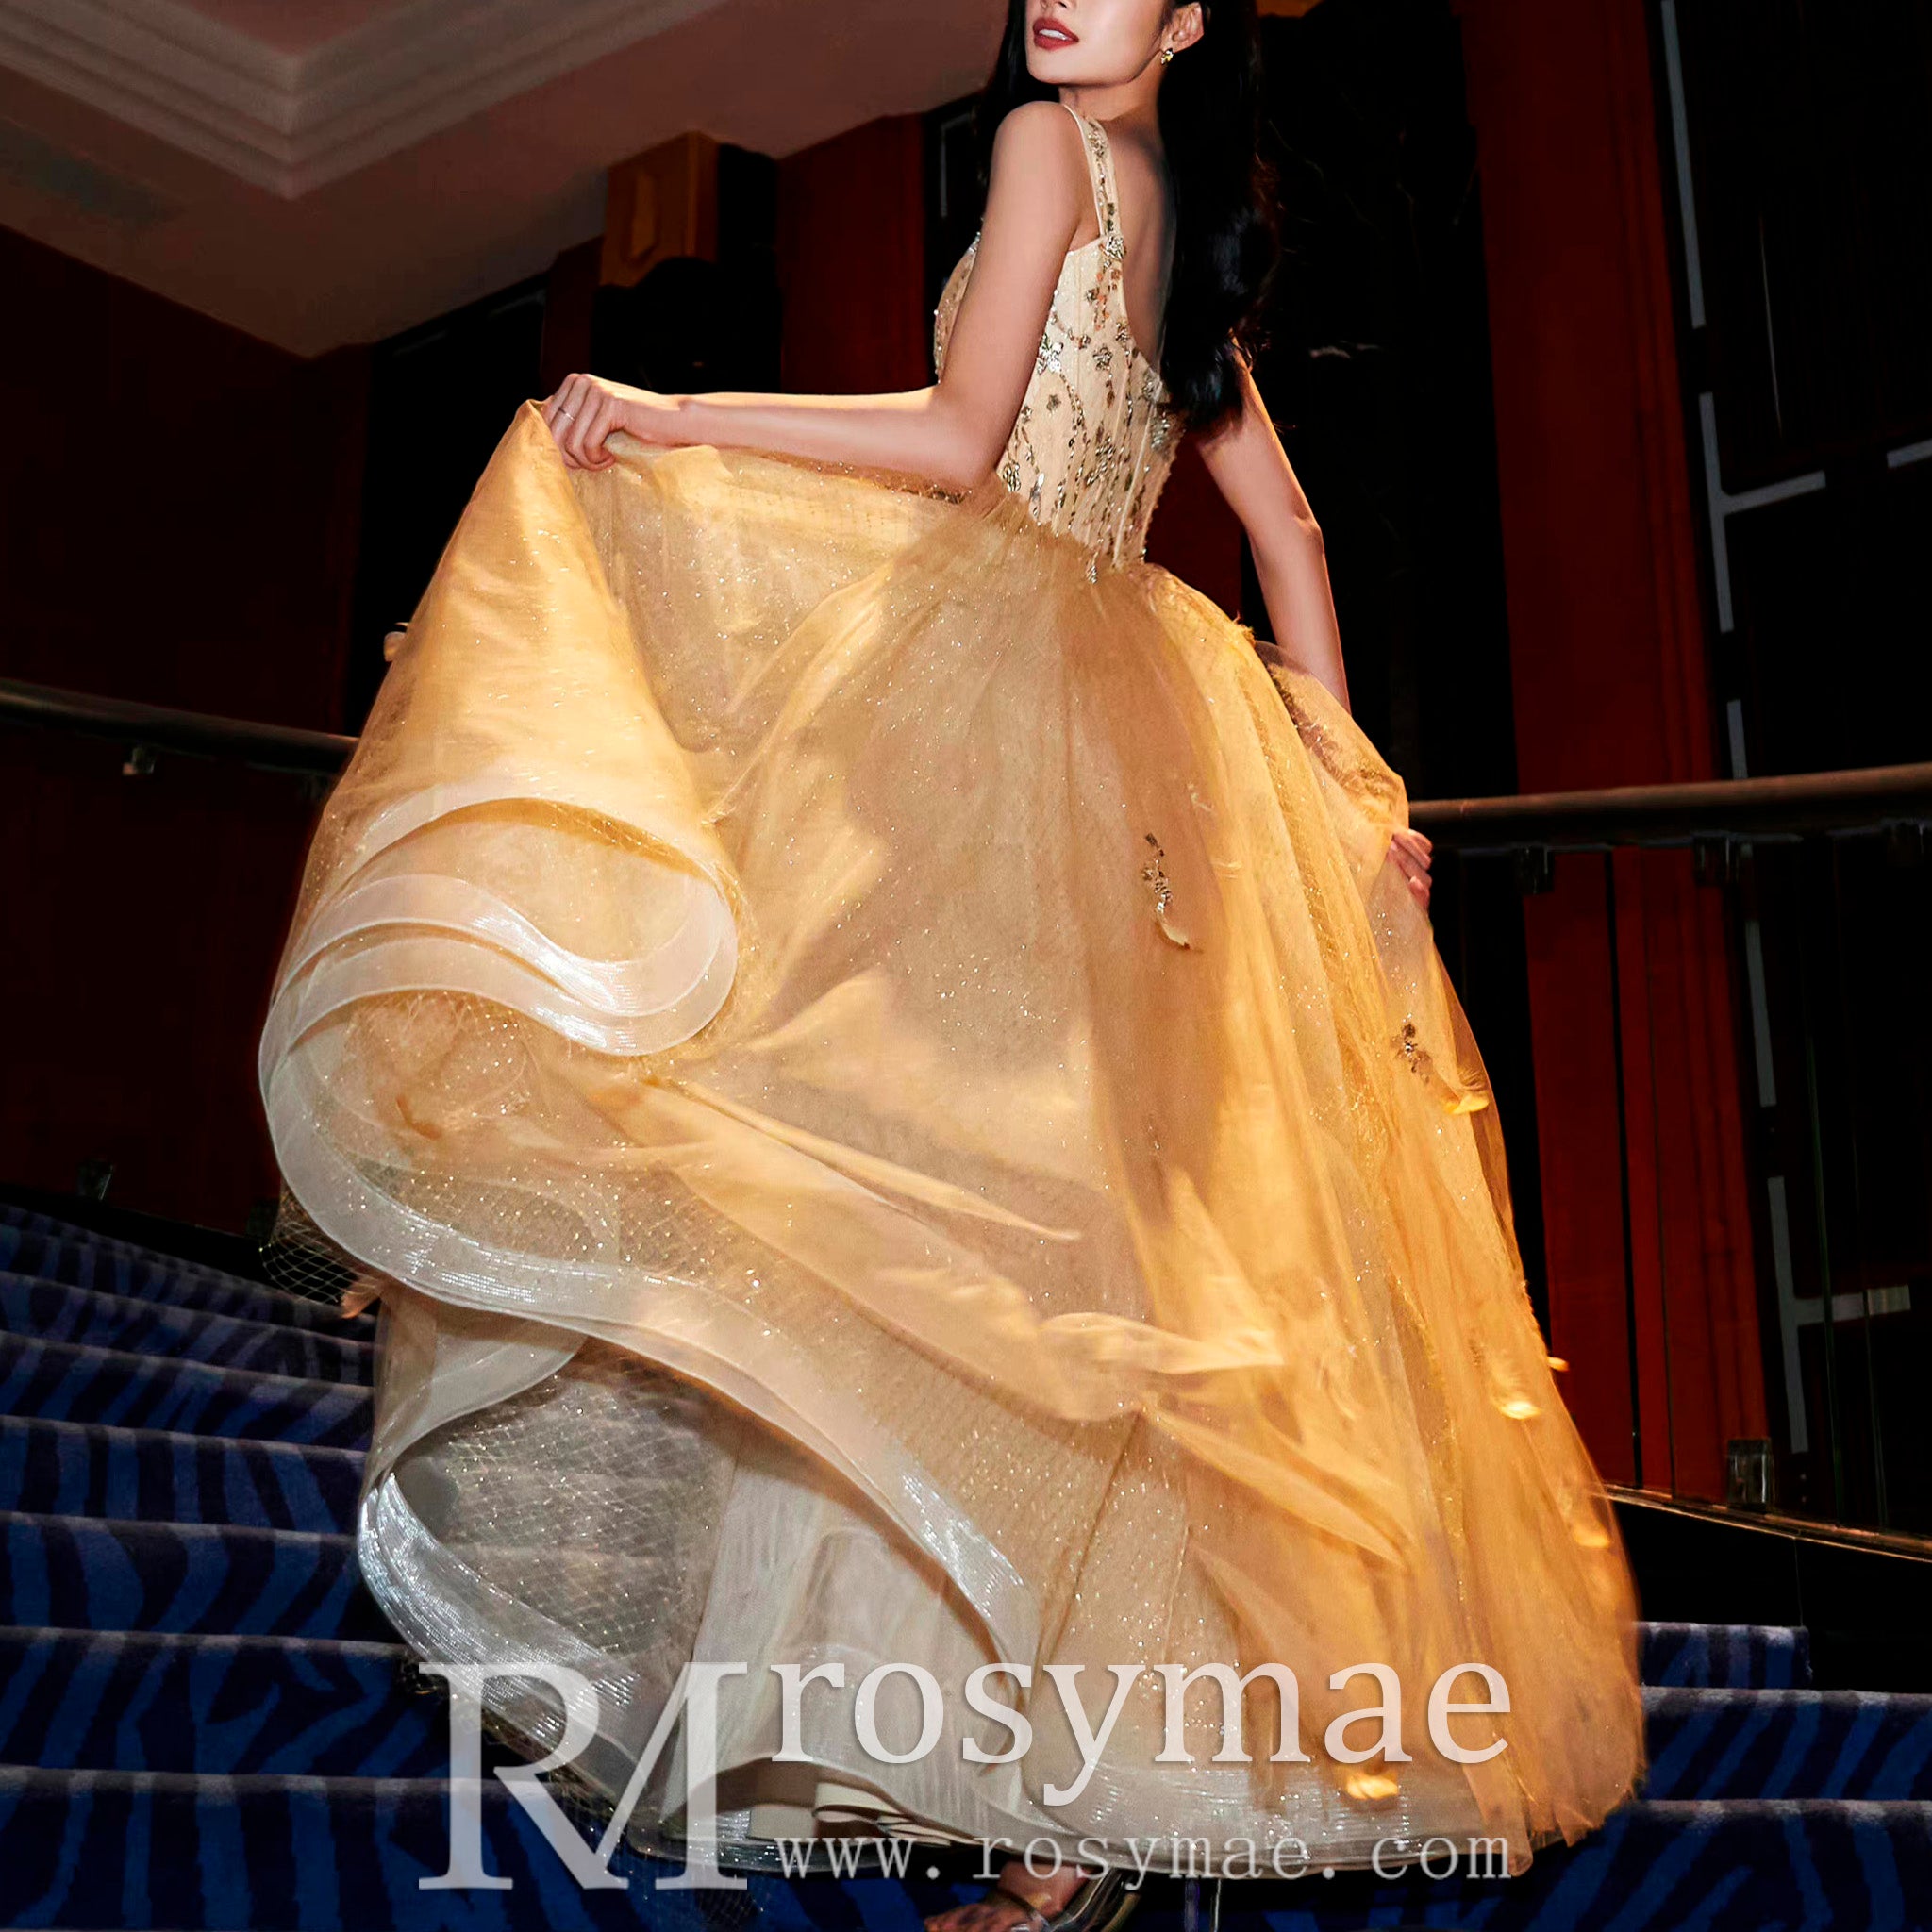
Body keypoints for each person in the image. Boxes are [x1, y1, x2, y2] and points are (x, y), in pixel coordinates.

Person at [259, 2, 1645, 1925]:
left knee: (869, 1186)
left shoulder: (1042, 147)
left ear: (1188, 19)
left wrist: (676, 414)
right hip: (1153, 751)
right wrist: (1334, 777)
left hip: (1002, 710)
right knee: (1085, 1264)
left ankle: (959, 1765)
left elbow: (951, 441)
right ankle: (1070, 1814)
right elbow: (1294, 536)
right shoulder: (1183, 221)